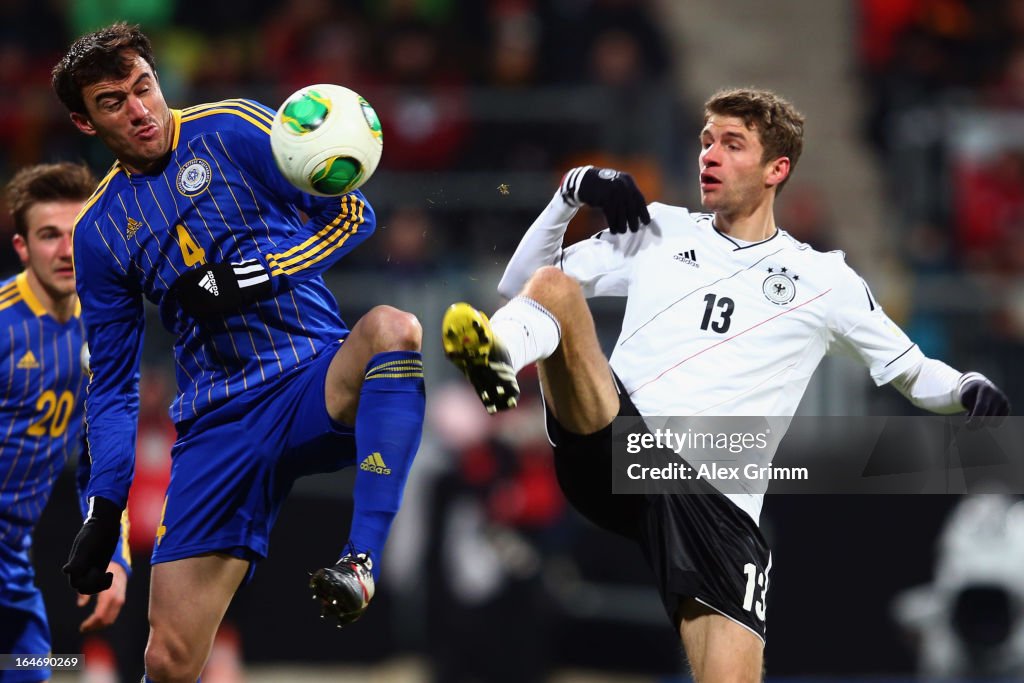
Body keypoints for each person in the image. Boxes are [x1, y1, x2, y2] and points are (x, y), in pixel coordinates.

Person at [442, 88, 1011, 682]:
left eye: (731, 144)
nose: (708, 156)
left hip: (719, 500)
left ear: (776, 170)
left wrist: (966, 387)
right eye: (706, 141)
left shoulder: (824, 279)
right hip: (618, 445)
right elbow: (521, 285)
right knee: (555, 291)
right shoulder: (657, 230)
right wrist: (569, 193)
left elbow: (910, 368)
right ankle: (496, 358)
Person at [52, 23, 426, 683]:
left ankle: (359, 560)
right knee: (168, 660)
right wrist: (104, 506)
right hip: (216, 425)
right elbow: (111, 384)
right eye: (113, 102)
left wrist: (253, 275)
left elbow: (352, 214)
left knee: (393, 327)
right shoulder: (99, 232)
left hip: (313, 376)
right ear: (85, 123)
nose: (139, 109)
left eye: (144, 86)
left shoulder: (232, 128)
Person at [0, 162, 130, 683]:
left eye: (77, 234)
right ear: (22, 246)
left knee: (34, 667)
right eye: (48, 235)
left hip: (13, 559)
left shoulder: (104, 330)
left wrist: (112, 551)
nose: (66, 250)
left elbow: (98, 457)